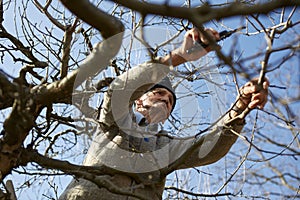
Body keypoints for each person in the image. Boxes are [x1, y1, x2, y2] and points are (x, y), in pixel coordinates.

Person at [60, 28, 269, 200]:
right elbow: (120, 89)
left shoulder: (165, 146)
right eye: (159, 93)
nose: (165, 100)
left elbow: (208, 148)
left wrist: (240, 106)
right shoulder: (116, 118)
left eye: (170, 101)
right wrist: (178, 57)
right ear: (140, 98)